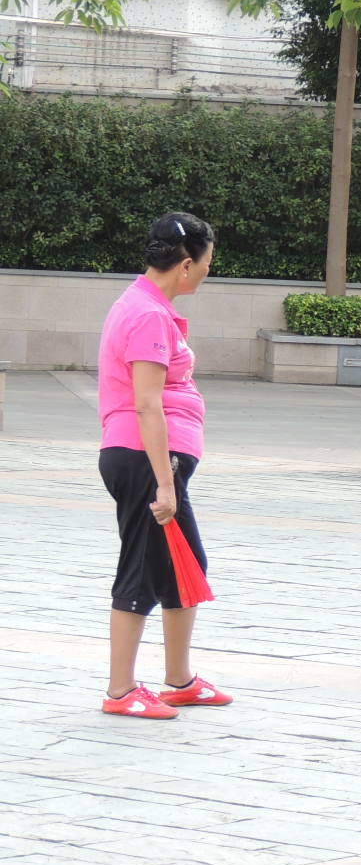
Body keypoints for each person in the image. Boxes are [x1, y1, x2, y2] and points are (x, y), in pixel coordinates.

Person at [97, 212, 232, 719]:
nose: (206, 271)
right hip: (144, 459)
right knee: (142, 571)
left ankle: (178, 680)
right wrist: (164, 485)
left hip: (147, 458)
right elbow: (147, 404)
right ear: (184, 264)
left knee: (183, 566)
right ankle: (120, 691)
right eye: (206, 263)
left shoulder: (145, 305)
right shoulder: (148, 316)